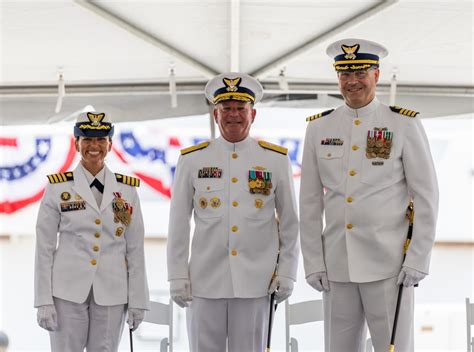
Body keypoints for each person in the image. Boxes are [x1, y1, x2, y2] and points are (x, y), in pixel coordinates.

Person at [300, 39, 439, 352]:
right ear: (338, 78)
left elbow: (427, 195)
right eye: (345, 74)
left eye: (361, 72)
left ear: (377, 74)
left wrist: (418, 258)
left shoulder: (403, 123)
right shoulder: (319, 128)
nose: (353, 81)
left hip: (389, 265)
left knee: (395, 348)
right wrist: (314, 262)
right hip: (337, 264)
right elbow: (309, 202)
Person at [167, 73, 299, 352]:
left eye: (240, 108)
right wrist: (177, 276)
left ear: (253, 114)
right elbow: (178, 223)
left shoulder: (274, 159)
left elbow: (289, 223)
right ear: (216, 114)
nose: (233, 115)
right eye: (226, 108)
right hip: (204, 282)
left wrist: (287, 272)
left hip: (257, 282)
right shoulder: (192, 159)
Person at [34, 111, 149, 351]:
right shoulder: (58, 188)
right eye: (87, 139)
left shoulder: (127, 191)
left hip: (112, 292)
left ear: (110, 144)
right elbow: (44, 248)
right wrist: (43, 300)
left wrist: (139, 299)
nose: (93, 145)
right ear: (76, 143)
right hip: (66, 292)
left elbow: (135, 249)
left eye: (100, 139)